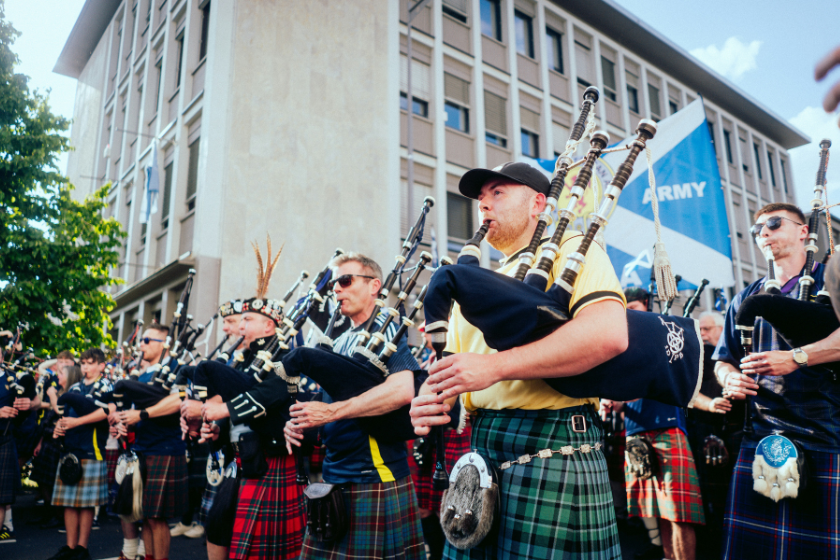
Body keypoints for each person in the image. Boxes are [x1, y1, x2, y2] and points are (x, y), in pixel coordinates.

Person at [410, 162, 628, 559]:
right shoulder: (479, 284)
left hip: (552, 445)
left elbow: (607, 335)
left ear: (538, 204)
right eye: (481, 199)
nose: (484, 206)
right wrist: (429, 397)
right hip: (481, 450)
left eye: (498, 193)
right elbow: (456, 369)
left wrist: (494, 368)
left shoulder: (573, 250)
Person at [716, 202, 840, 559]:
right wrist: (731, 379)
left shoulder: (831, 280)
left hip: (825, 435)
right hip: (763, 439)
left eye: (773, 223)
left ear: (804, 231)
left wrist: (796, 358)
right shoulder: (745, 296)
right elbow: (724, 360)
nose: (764, 233)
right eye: (757, 230)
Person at [284, 252, 425, 560]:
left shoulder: (387, 327)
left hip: (372, 475)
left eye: (346, 281)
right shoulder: (339, 340)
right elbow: (330, 399)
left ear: (374, 286)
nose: (337, 289)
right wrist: (299, 419)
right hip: (334, 474)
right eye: (335, 283)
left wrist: (332, 412)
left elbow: (402, 391)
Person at [199, 278, 306, 560]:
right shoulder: (241, 360)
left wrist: (224, 410)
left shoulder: (288, 357)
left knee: (259, 551)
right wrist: (217, 431)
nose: (241, 326)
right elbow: (234, 414)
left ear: (269, 325)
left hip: (269, 461)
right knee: (218, 530)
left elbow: (269, 393)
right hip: (238, 462)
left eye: (248, 319)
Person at [613, 288, 704, 560]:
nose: (629, 313)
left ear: (647, 305)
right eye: (625, 308)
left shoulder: (660, 333)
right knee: (658, 511)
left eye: (634, 307)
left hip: (667, 428)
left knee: (679, 512)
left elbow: (663, 380)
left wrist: (618, 394)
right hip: (635, 433)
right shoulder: (619, 342)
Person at [115, 323, 188, 560]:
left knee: (157, 516)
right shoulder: (143, 372)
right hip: (143, 447)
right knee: (146, 514)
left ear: (164, 344)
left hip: (166, 448)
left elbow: (179, 401)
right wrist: (122, 420)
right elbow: (135, 408)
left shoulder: (176, 367)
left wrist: (141, 415)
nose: (141, 344)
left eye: (147, 340)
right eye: (141, 340)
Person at [48, 349, 113, 560]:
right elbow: (66, 414)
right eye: (83, 363)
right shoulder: (74, 387)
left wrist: (77, 422)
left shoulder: (106, 386)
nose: (85, 367)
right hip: (70, 450)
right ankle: (70, 547)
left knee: (85, 504)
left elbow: (106, 412)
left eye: (90, 363)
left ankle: (82, 549)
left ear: (101, 366)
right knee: (69, 502)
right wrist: (60, 427)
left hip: (91, 450)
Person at [685, 311, 741, 559]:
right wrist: (708, 405)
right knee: (708, 498)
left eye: (707, 329)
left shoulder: (736, 353)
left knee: (733, 496)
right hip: (702, 430)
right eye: (700, 329)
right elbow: (686, 390)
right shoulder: (695, 355)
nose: (703, 333)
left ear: (722, 328)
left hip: (734, 431)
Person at [30, 364, 82, 530]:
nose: (57, 376)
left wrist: (52, 395)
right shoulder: (59, 393)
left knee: (51, 481)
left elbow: (61, 411)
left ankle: (56, 515)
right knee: (41, 480)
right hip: (46, 441)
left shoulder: (71, 394)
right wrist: (39, 443)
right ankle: (48, 513)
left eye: (61, 373)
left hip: (57, 445)